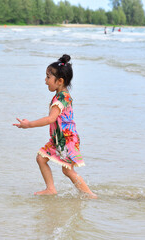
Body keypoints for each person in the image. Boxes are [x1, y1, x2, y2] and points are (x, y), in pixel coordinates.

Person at [13, 54, 97, 198]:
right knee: (42, 158)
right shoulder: (63, 95)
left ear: (59, 81)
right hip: (60, 138)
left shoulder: (61, 98)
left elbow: (51, 118)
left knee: (67, 170)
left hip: (66, 139)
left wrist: (29, 125)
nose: (45, 81)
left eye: (48, 77)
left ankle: (89, 194)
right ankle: (51, 188)